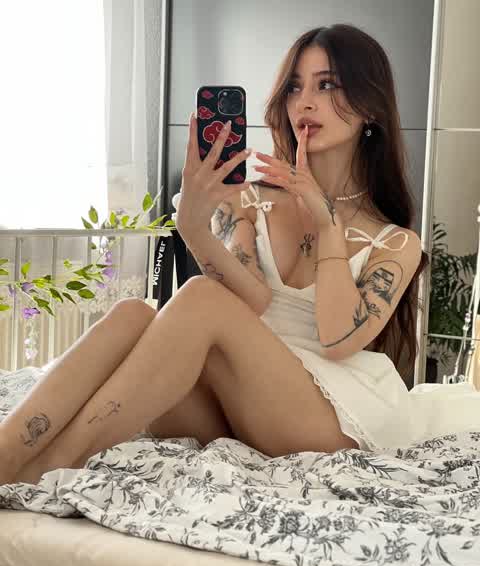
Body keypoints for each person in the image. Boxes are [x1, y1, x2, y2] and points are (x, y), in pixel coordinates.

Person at [0, 24, 478, 488]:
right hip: (238, 402)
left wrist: (326, 223)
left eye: (327, 84)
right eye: (294, 87)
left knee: (200, 296)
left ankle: (53, 467)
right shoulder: (250, 201)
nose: (304, 102)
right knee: (132, 314)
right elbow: (249, 301)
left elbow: (336, 340)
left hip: (328, 418)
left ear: (370, 106)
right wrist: (193, 228)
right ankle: (7, 454)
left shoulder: (394, 243)